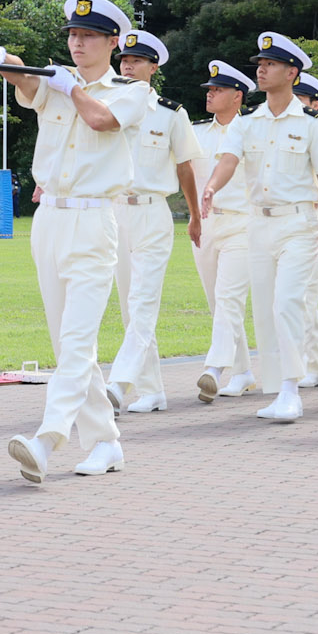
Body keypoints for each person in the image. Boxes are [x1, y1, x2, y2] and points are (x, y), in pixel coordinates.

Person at [0, 0, 146, 478]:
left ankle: (47, 440)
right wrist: (6, 62)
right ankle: (106, 443)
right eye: (73, 35)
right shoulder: (56, 81)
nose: (77, 43)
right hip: (49, 219)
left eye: (88, 35)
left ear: (112, 42)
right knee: (67, 343)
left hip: (94, 221)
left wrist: (69, 86)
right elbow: (23, 78)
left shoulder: (132, 89)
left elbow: (100, 119)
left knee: (76, 343)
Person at [197, 31, 318, 423]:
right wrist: (211, 185)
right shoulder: (247, 124)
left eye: (270, 64)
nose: (261, 70)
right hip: (258, 226)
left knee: (287, 304)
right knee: (263, 309)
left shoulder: (314, 124)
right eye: (259, 65)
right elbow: (228, 161)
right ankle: (279, 389)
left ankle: (292, 391)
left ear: (292, 72)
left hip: (299, 224)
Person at [104, 29, 204, 415]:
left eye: (136, 61)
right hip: (115, 211)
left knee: (143, 303)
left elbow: (185, 167)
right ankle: (153, 390)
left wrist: (195, 215)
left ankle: (117, 384)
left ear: (153, 67)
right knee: (130, 307)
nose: (127, 65)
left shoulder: (170, 113)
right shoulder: (108, 105)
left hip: (151, 211)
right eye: (124, 60)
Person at [190, 59, 256, 403]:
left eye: (218, 90)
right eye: (209, 89)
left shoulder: (254, 130)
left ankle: (213, 369)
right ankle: (243, 371)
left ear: (237, 96)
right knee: (218, 303)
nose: (210, 94)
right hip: (205, 225)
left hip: (242, 224)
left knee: (230, 299)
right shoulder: (196, 131)